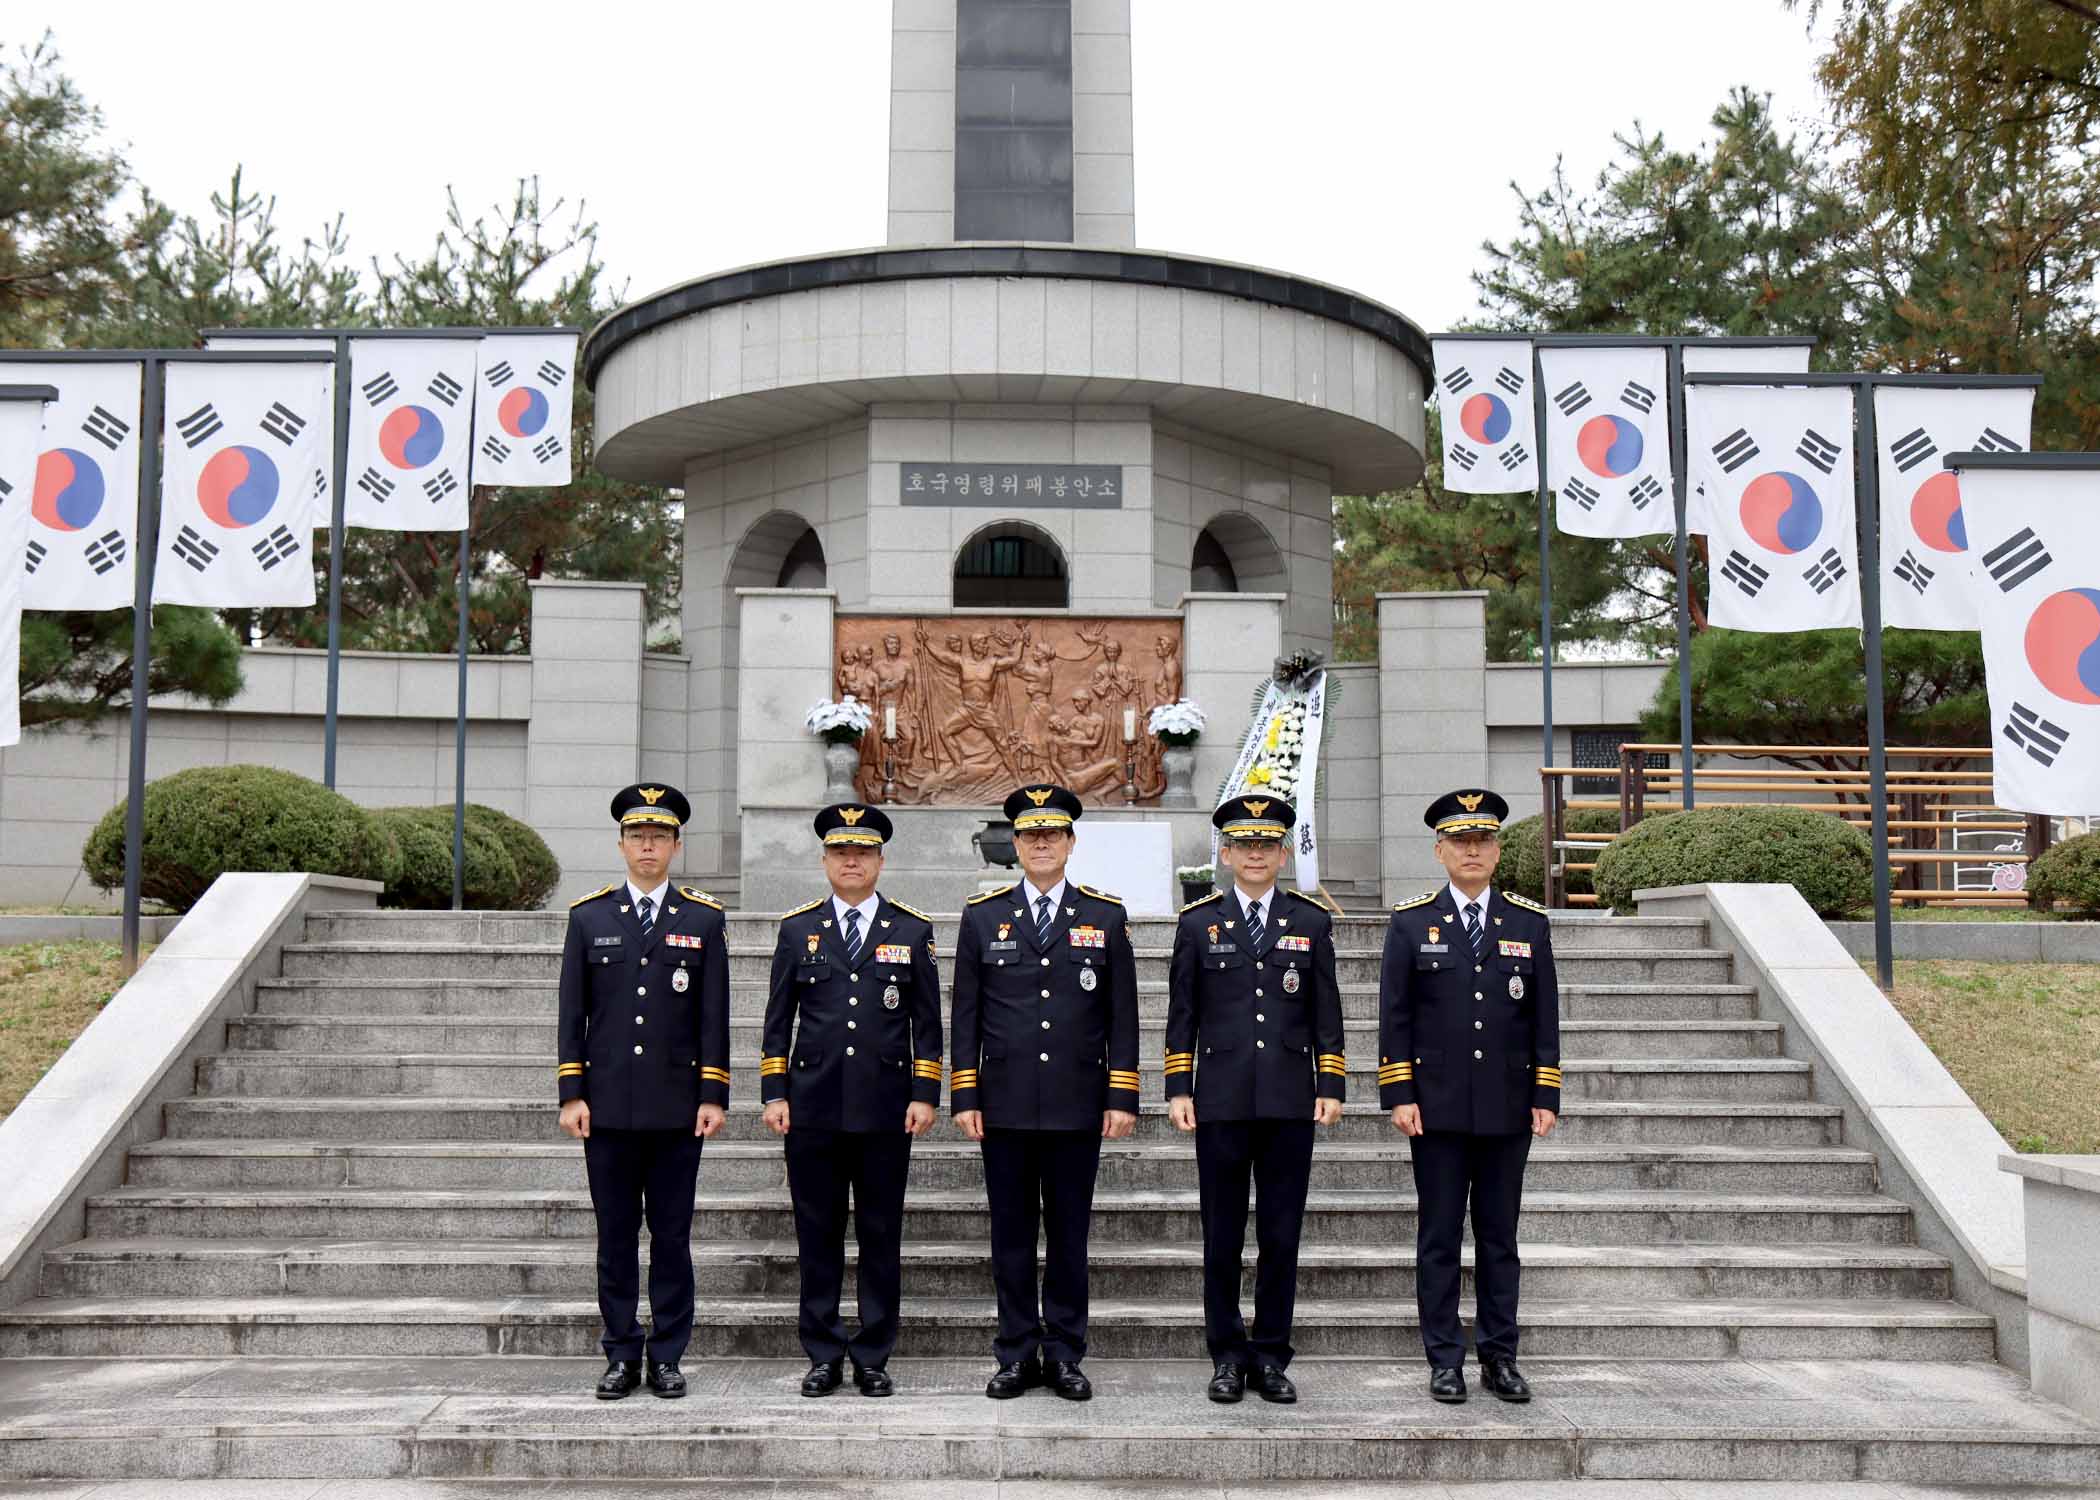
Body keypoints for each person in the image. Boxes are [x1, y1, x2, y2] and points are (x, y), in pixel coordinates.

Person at [949, 783, 1139, 1401]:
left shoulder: (1104, 917)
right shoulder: (983, 917)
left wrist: (1121, 1095)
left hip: (1077, 1101)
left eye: (1051, 835)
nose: (1041, 844)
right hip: (1002, 1104)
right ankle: (1014, 1352)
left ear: (1070, 843)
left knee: (1068, 1236)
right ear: (1016, 843)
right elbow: (966, 1015)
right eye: (1030, 835)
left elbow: (1123, 1016)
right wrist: (966, 1095)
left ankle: (1063, 1354)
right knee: (1009, 1237)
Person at [1379, 789, 1560, 1405]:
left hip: (1508, 1107)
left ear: (1499, 849)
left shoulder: (1528, 924)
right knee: (1438, 1236)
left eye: (1482, 840)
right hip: (1436, 1108)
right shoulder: (1410, 923)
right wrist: (1399, 1092)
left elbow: (1544, 1020)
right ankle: (1444, 1359)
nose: (1473, 850)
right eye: (1460, 841)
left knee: (1499, 1237)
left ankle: (1500, 1355)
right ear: (1440, 851)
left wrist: (1546, 1092)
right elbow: (1394, 1017)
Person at [762, 803, 944, 1398]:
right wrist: (773, 1091)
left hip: (885, 1106)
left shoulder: (911, 930)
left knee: (880, 1232)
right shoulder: (797, 929)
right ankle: (821, 1351)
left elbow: (927, 1023)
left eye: (862, 851)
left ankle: (872, 1353)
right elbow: (777, 1020)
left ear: (880, 860)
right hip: (811, 1105)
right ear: (824, 860)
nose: (851, 860)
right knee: (816, 1232)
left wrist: (925, 1093)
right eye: (841, 851)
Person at [1166, 795, 1343, 1404]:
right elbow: (1181, 1014)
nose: (1256, 854)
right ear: (1226, 853)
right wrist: (1177, 1088)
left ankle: (1270, 1354)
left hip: (1291, 1101)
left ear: (1284, 852)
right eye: (1245, 844)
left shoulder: (1311, 922)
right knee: (1221, 1233)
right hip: (1219, 1099)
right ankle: (1225, 1353)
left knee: (1281, 1234)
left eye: (1268, 844)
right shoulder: (1198, 923)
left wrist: (1331, 1083)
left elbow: (1327, 1011)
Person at [557, 783, 730, 1401]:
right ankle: (620, 1351)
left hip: (678, 1109)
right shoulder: (590, 917)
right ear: (622, 843)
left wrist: (713, 1095)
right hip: (604, 1108)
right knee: (615, 1235)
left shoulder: (705, 919)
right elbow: (571, 1014)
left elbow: (714, 1016)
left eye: (659, 836)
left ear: (677, 845)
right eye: (637, 835)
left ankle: (667, 1356)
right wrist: (571, 1093)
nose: (648, 845)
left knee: (673, 1236)